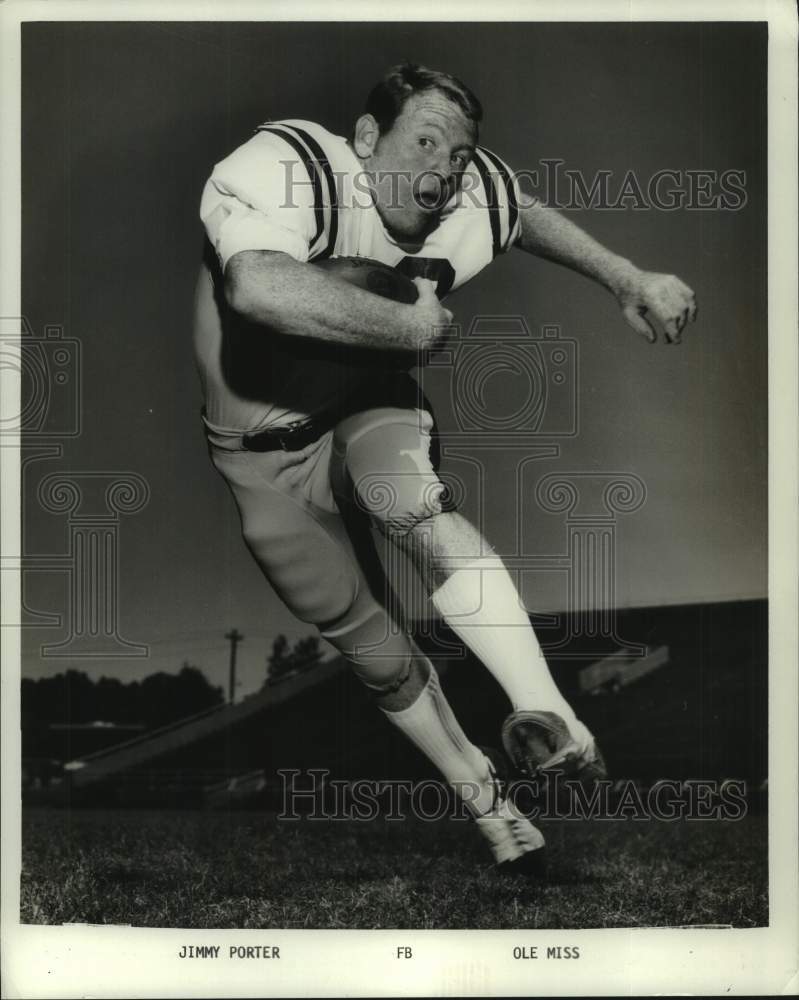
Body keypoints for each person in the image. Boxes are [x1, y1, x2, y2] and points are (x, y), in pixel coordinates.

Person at [193, 63, 697, 872]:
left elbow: (519, 209)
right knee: (376, 652)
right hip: (262, 453)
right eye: (422, 140)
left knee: (411, 506)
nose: (442, 169)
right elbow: (257, 286)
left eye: (459, 155)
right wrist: (407, 333)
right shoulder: (288, 166)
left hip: (361, 399)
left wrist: (625, 277)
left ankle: (547, 713)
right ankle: (486, 803)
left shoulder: (465, 188)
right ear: (365, 139)